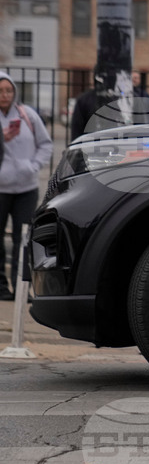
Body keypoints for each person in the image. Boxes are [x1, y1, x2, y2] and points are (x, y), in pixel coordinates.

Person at [0, 73, 53, 300]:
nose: (5, 95)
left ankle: (22, 288)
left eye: (9, 90)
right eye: (0, 91)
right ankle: (1, 288)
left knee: (23, 239)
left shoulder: (28, 115)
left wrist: (33, 166)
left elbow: (46, 144)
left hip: (26, 188)